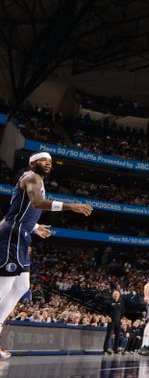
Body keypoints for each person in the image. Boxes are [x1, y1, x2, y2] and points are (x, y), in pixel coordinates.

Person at [0, 152, 92, 359]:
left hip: (21, 234)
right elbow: (37, 203)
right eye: (44, 161)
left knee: (22, 287)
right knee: (4, 287)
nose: (48, 164)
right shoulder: (31, 177)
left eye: (50, 162)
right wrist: (70, 206)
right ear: (33, 163)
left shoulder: (37, 180)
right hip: (13, 237)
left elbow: (18, 212)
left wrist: (35, 226)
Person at [104, 290, 126, 354]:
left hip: (118, 321)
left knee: (117, 336)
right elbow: (105, 311)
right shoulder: (109, 302)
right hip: (111, 321)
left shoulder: (121, 302)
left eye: (116, 294)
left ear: (119, 295)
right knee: (108, 335)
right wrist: (107, 317)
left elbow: (123, 311)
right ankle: (105, 349)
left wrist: (121, 319)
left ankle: (115, 349)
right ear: (112, 294)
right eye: (114, 293)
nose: (115, 295)